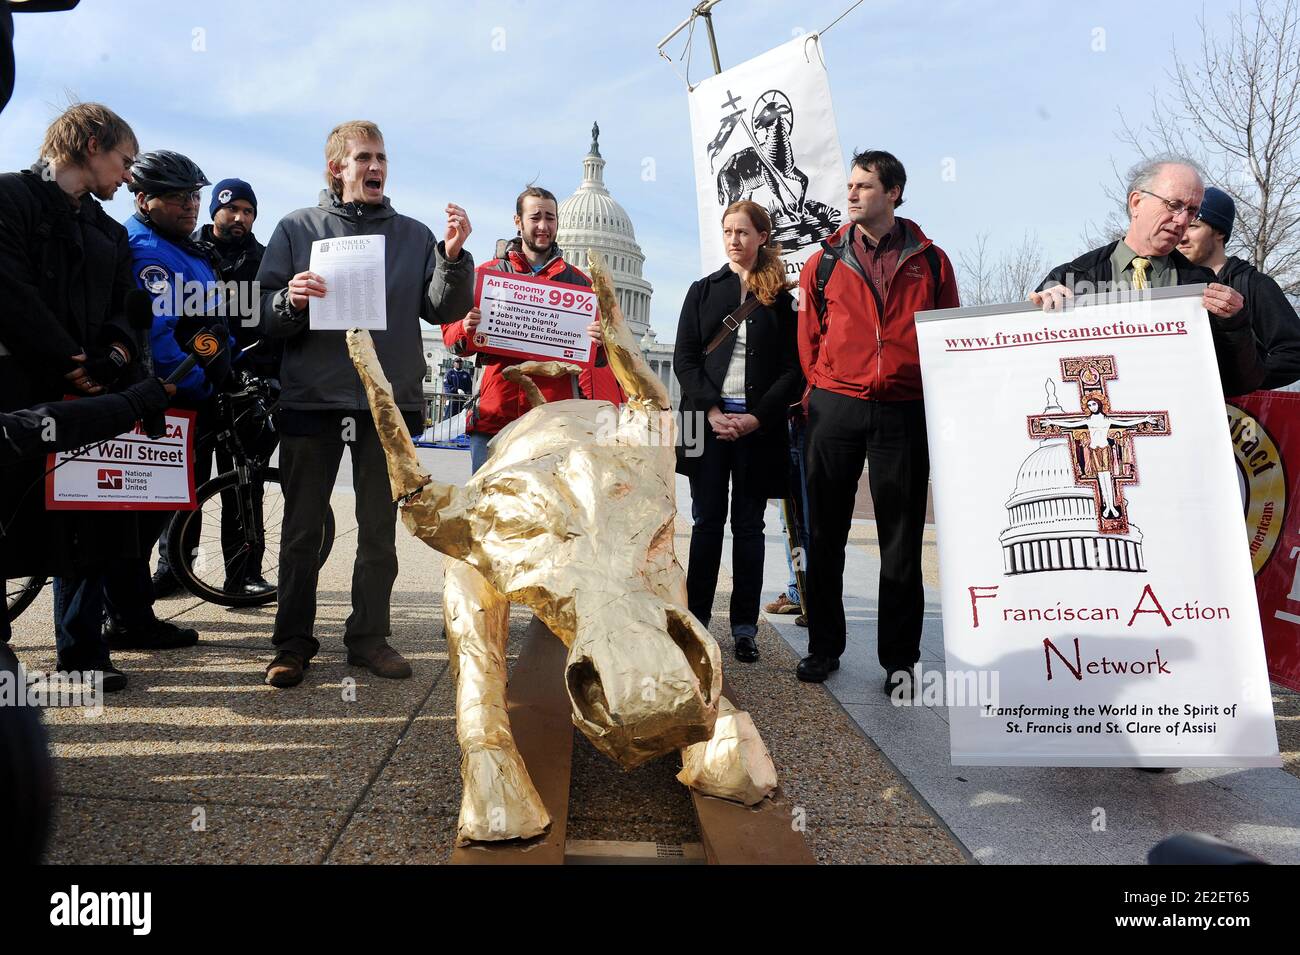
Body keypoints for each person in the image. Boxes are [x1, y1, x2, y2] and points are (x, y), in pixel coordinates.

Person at [255, 119, 474, 688]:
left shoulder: (413, 234)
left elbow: (442, 310)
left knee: (379, 530)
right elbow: (259, 315)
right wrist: (289, 298)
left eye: (381, 157)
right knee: (302, 530)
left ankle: (370, 637)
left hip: (387, 404)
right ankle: (292, 642)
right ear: (337, 168)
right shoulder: (296, 227)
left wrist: (451, 256)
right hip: (314, 398)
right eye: (364, 158)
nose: (375, 167)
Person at [0, 102, 160, 692]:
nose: (127, 175)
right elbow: (8, 289)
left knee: (90, 518)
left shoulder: (110, 231)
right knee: (6, 519)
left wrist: (113, 358)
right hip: (18, 391)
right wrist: (67, 361)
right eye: (124, 160)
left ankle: (83, 653)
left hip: (90, 398)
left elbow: (124, 309)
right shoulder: (9, 196)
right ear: (92, 143)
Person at [796, 149, 960, 692]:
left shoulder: (932, 262)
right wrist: (820, 393)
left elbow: (945, 337)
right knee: (824, 535)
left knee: (901, 539)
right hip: (835, 406)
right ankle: (823, 648)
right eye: (850, 184)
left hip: (903, 410)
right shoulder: (821, 262)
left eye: (864, 185)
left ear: (893, 192)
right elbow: (810, 338)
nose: (851, 193)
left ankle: (900, 661)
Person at [674, 200, 803, 663]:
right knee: (706, 523)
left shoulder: (782, 301)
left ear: (762, 238)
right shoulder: (702, 290)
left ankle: (745, 626)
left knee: (749, 527)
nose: (734, 239)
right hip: (700, 421)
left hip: (757, 427)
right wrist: (710, 409)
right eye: (728, 231)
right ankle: (698, 621)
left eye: (744, 232)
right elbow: (684, 358)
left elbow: (794, 370)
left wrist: (756, 417)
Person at [1030, 158, 1264, 397]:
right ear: (1136, 202)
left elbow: (1242, 383)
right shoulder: (1070, 279)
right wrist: (1039, 317)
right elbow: (1033, 372)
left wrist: (1234, 324)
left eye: (1192, 211)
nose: (1183, 220)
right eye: (1174, 205)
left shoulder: (1204, 286)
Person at [126, 151, 237, 610]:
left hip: (191, 394)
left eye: (193, 195)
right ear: (143, 199)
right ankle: (127, 617)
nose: (190, 205)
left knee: (157, 513)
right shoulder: (147, 250)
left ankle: (133, 614)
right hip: (171, 400)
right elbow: (158, 338)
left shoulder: (179, 244)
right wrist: (203, 385)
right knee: (139, 521)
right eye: (176, 197)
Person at [441, 185, 604, 473]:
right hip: (495, 416)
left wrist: (600, 343)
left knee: (547, 514)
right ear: (518, 221)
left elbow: (598, 360)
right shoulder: (487, 274)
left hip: (552, 423)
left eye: (550, 218)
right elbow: (453, 341)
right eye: (535, 217)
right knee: (488, 509)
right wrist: (466, 327)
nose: (543, 226)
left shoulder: (579, 284)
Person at [1177, 186, 1300, 389]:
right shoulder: (1171, 283)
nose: (1182, 236)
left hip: (1240, 416)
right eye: (1181, 227)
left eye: (1193, 226)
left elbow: (1294, 353)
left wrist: (1246, 381)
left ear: (1219, 231)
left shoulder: (1255, 285)